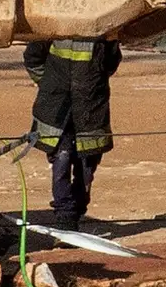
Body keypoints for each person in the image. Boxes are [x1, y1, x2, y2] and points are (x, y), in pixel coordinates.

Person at [26, 35, 123, 229]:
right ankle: (65, 218)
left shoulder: (102, 34)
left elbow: (110, 63)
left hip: (90, 111)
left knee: (86, 166)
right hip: (57, 110)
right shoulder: (53, 29)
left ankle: (76, 212)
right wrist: (48, 84)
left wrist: (92, 85)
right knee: (61, 160)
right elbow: (33, 57)